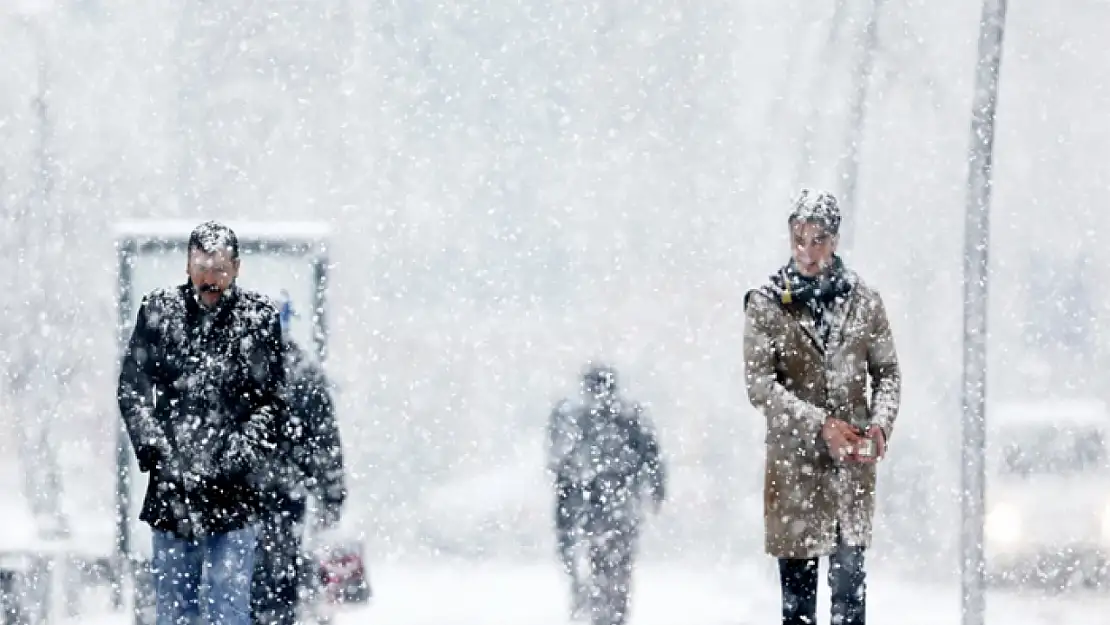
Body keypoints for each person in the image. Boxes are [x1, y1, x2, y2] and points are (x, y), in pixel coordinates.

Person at [742, 189, 901, 625]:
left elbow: (887, 373)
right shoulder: (767, 303)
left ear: (834, 241)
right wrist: (820, 424)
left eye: (818, 241)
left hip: (852, 474)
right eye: (799, 239)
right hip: (794, 474)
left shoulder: (865, 303)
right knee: (798, 606)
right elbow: (760, 387)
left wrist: (880, 426)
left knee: (850, 599)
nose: (807, 253)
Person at [117, 221, 287, 625]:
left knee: (229, 607)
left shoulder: (258, 318)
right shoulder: (159, 312)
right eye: (202, 266)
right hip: (173, 493)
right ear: (187, 265)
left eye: (220, 268)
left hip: (236, 493)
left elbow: (273, 402)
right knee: (175, 610)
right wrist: (158, 450)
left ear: (237, 268)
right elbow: (132, 390)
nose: (211, 278)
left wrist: (238, 454)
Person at [251, 295, 347, 625]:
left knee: (243, 578)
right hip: (283, 495)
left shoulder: (237, 368)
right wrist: (331, 494)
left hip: (243, 498)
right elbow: (325, 442)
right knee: (278, 577)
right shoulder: (303, 372)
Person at [546, 363, 666, 625]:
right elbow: (651, 457)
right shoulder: (627, 417)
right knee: (614, 566)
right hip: (617, 506)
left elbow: (559, 465)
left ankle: (597, 606)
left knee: (596, 564)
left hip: (590, 508)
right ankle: (610, 610)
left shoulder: (575, 418)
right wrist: (655, 490)